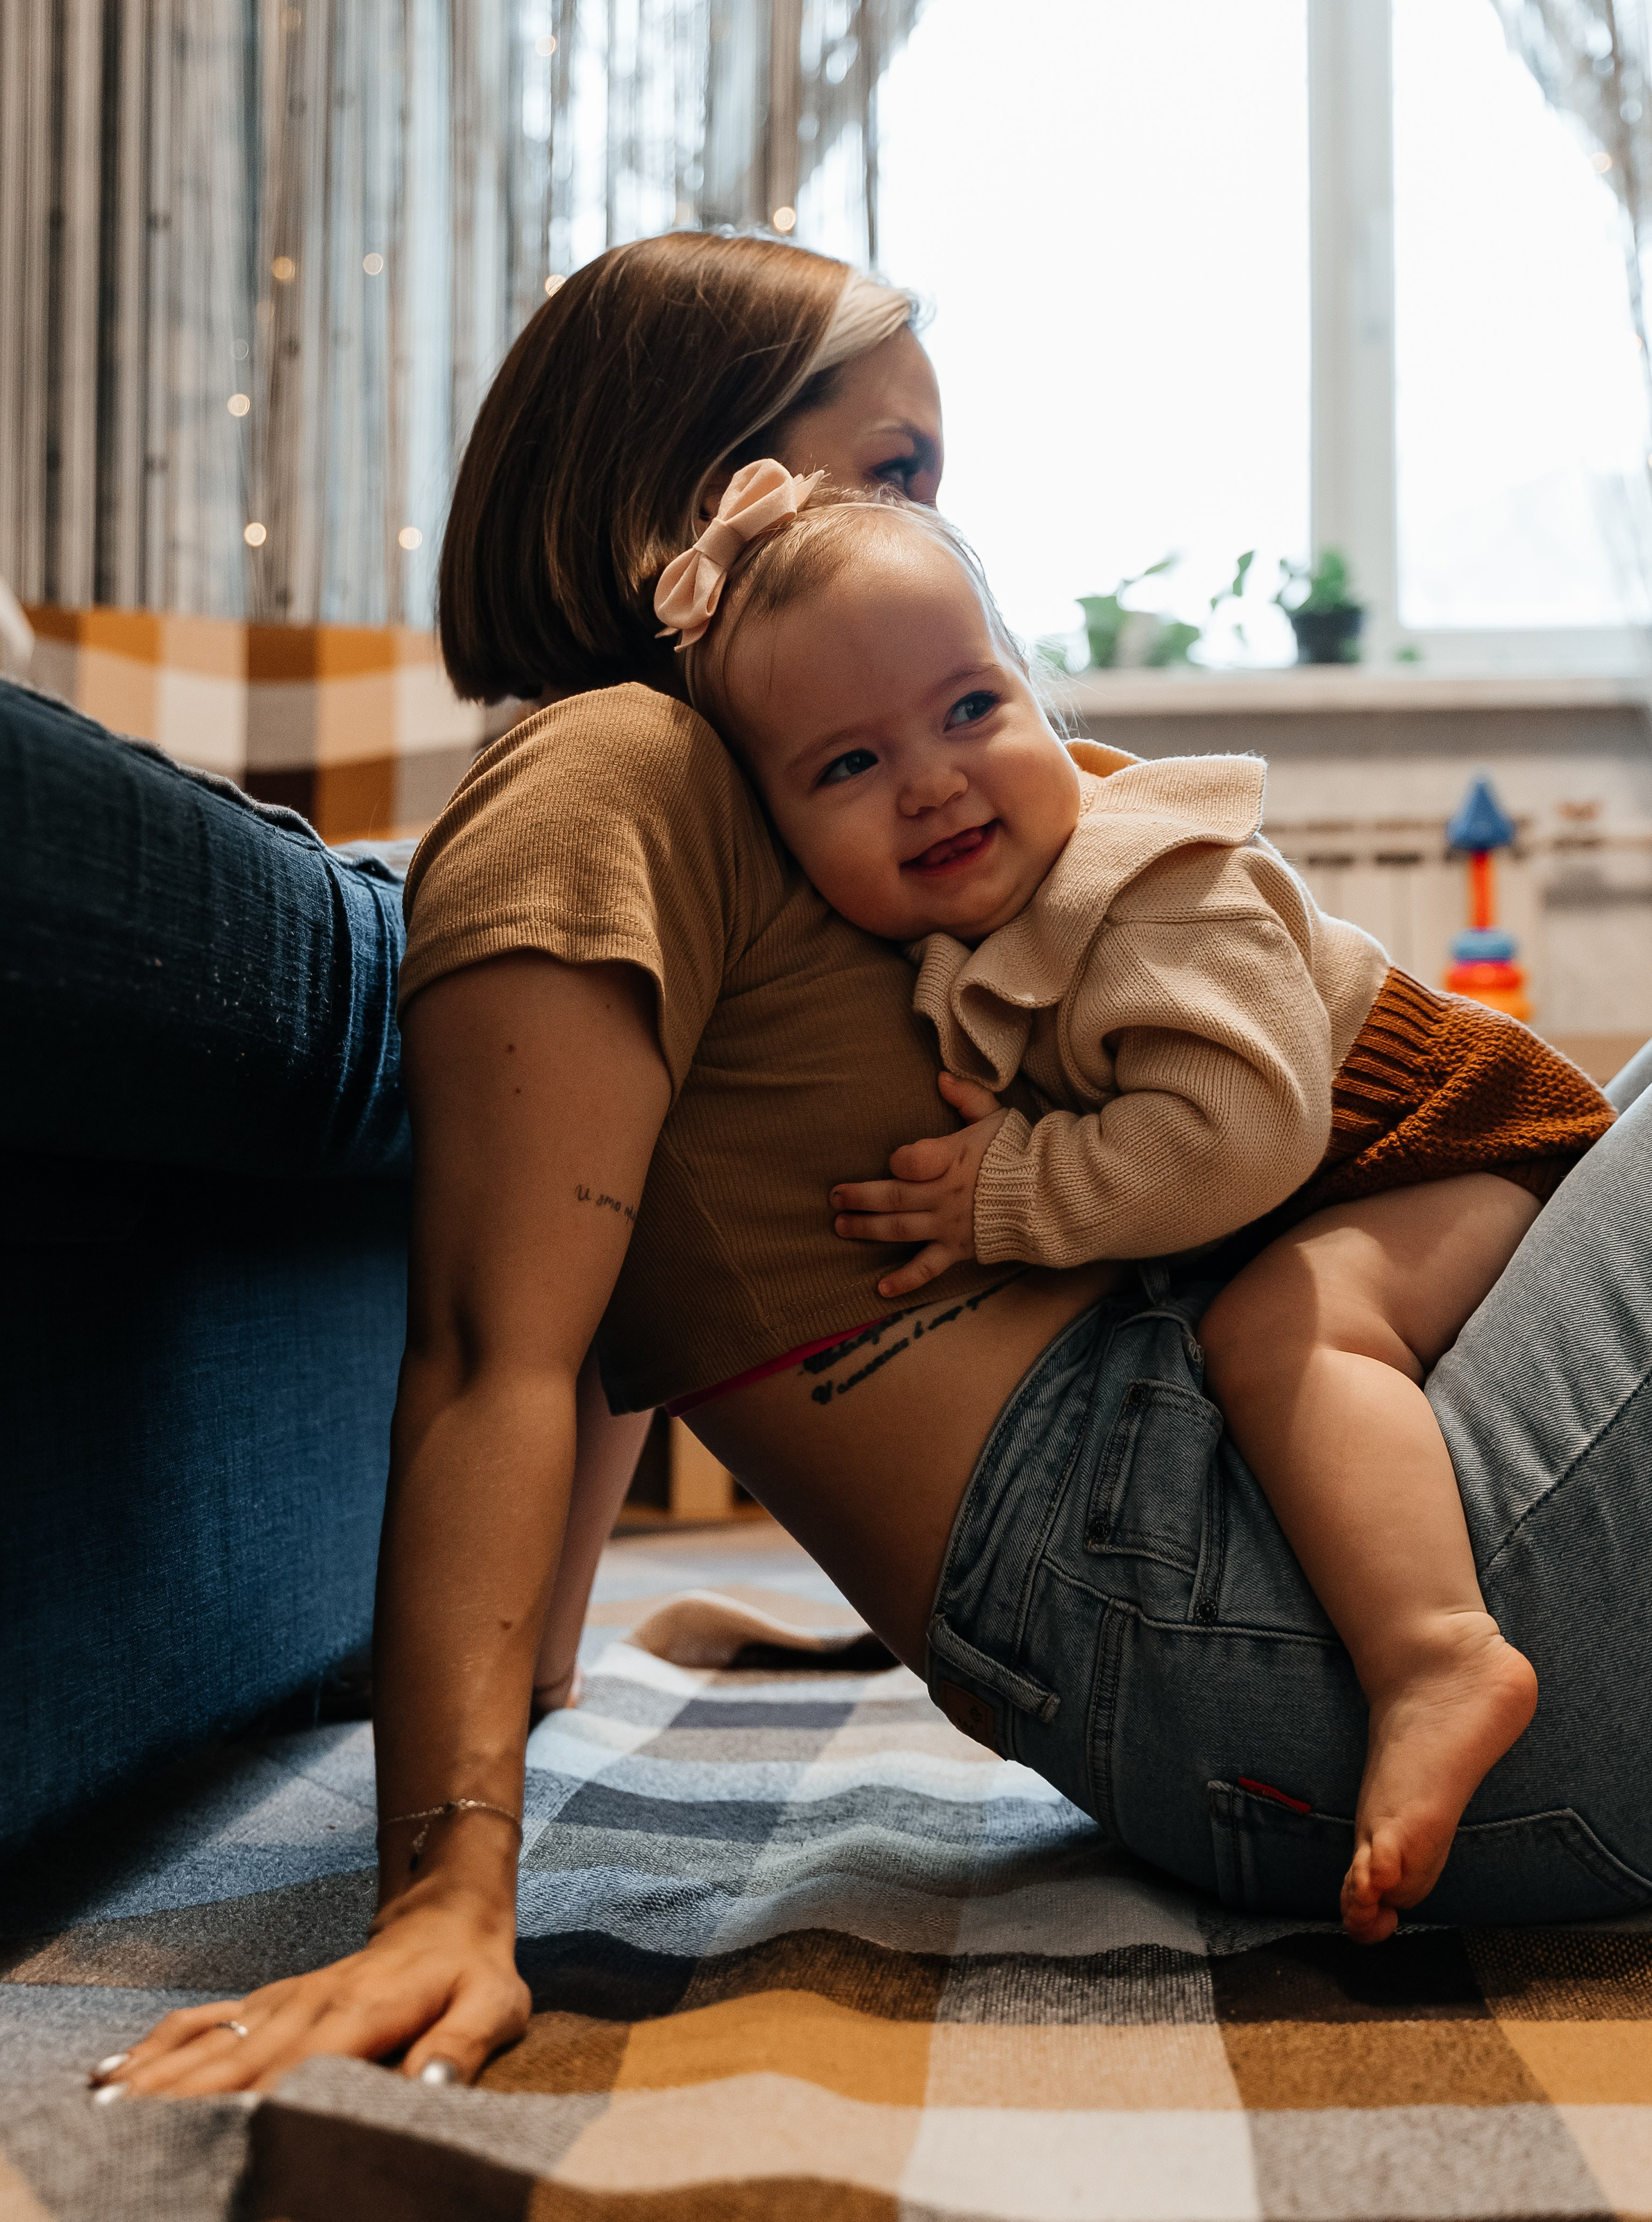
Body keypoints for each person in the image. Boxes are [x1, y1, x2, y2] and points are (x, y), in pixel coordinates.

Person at [97, 229, 1652, 2103]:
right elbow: (497, 1342)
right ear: (701, 487)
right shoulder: (604, 778)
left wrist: (540, 1659)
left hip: (1246, 1574)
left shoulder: (745, 814)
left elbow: (612, 1314)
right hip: (1244, 1625)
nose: (928, 531)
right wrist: (447, 1881)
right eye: (893, 472)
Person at [655, 469, 1612, 1941]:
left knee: (1287, 1335)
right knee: (1267, 1323)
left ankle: (1434, 1654)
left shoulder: (1140, 879)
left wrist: (1016, 1189)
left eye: (968, 707)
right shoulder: (980, 926)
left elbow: (1241, 1127)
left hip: (1456, 1150)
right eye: (845, 766)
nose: (927, 779)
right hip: (1353, 1176)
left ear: (1037, 694)